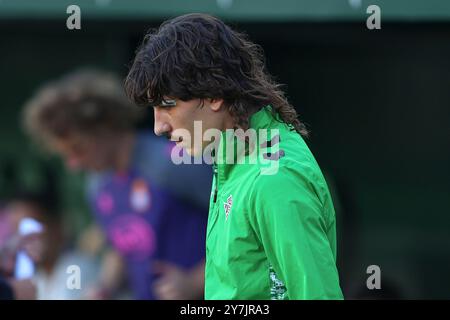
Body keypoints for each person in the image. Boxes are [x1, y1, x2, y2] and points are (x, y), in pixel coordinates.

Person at [125, 13, 343, 299]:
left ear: (214, 94)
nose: (159, 126)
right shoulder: (233, 158)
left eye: (168, 104)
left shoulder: (275, 178)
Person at [23, 69, 211, 299]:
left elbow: (240, 229)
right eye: (66, 156)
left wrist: (194, 282)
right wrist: (103, 287)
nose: (74, 165)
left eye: (78, 150)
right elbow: (122, 248)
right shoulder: (97, 186)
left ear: (105, 127)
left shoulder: (170, 161)